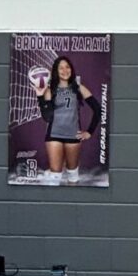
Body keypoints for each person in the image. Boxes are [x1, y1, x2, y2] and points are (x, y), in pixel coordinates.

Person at [35, 55, 102, 185]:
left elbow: (98, 109)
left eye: (67, 67)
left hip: (73, 136)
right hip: (54, 135)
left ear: (71, 69)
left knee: (72, 175)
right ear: (56, 71)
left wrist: (89, 131)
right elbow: (47, 117)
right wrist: (40, 97)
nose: (65, 70)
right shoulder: (50, 90)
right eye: (61, 68)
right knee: (55, 177)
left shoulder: (78, 88)